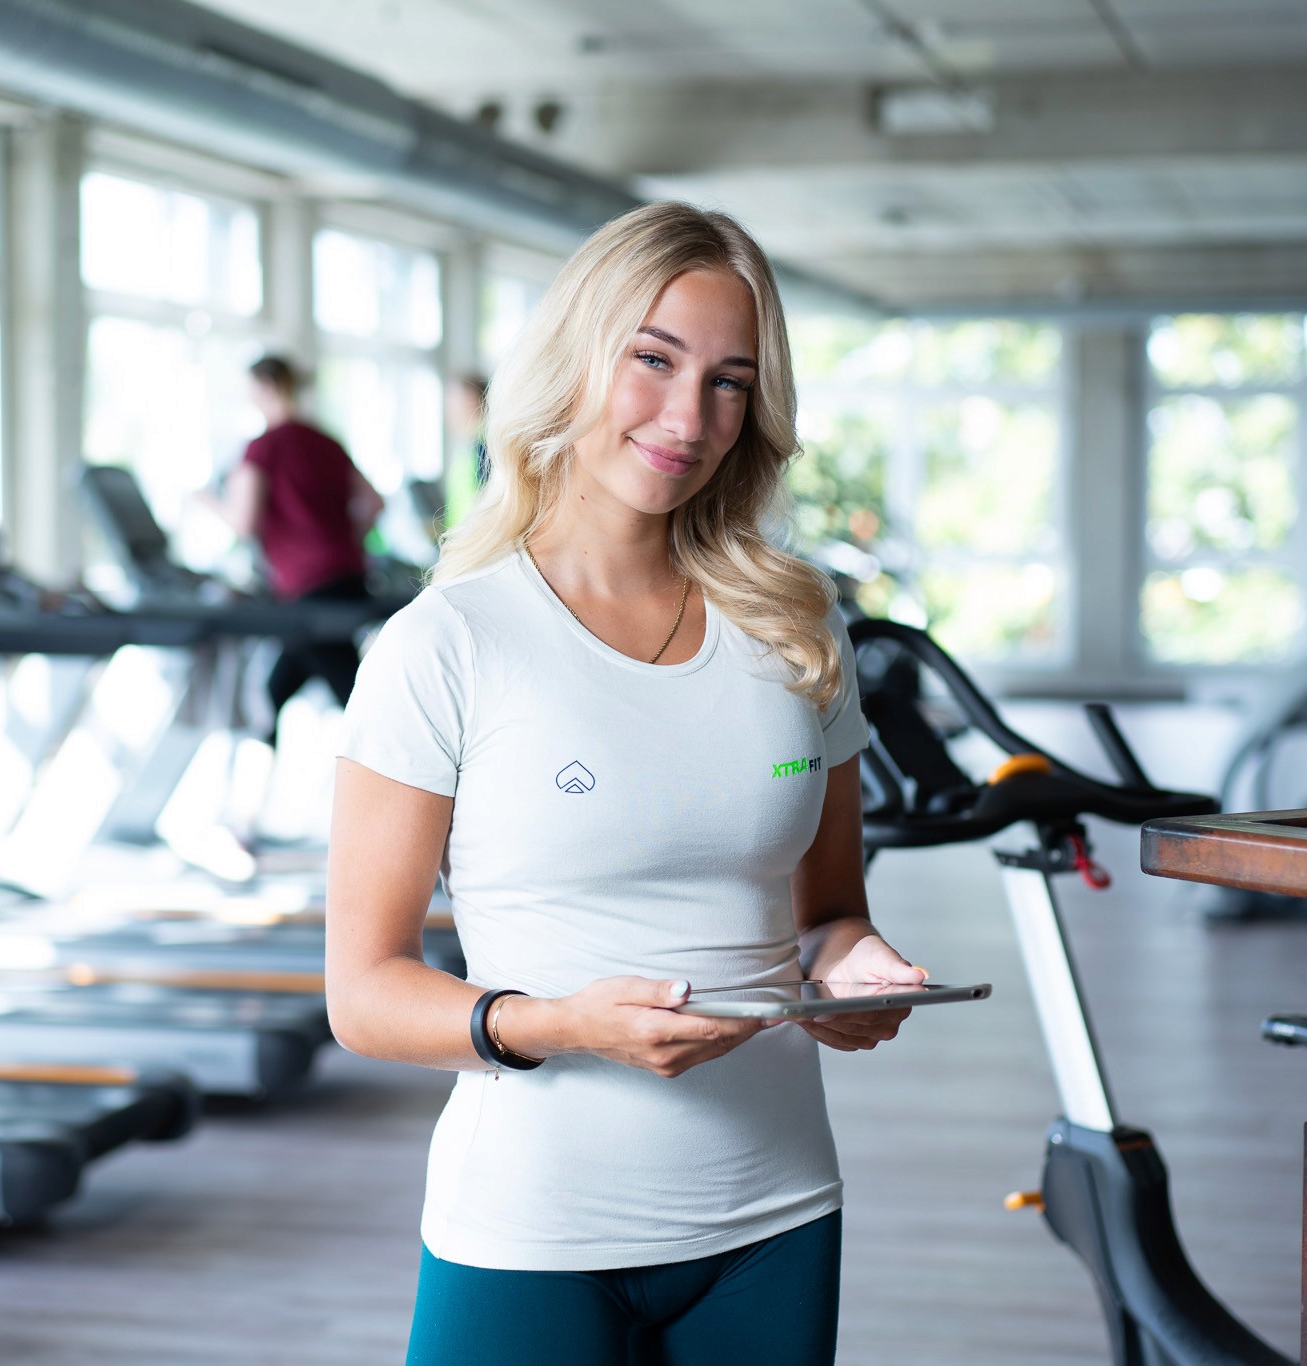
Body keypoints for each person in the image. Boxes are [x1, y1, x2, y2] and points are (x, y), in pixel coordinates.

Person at [325, 201, 926, 1366]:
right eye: (652, 359)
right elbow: (362, 993)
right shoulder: (445, 641)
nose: (686, 415)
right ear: (577, 358)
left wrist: (859, 972)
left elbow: (829, 915)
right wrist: (561, 1025)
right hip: (531, 1228)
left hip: (775, 1212)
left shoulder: (793, 627)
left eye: (728, 382)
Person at [202, 355, 382, 740]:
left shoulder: (262, 448)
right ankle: (265, 776)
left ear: (265, 388)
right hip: (347, 576)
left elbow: (244, 520)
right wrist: (343, 539)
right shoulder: (325, 441)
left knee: (352, 700)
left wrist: (204, 501)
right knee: (276, 690)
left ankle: (396, 776)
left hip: (308, 586)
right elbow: (373, 503)